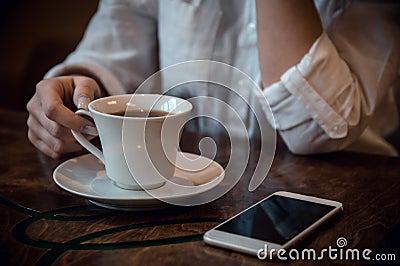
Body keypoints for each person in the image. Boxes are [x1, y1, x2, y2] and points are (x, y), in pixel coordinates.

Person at [26, 0, 400, 159]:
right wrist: (79, 85)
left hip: (353, 202)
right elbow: (116, 44)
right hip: (185, 194)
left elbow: (316, 130)